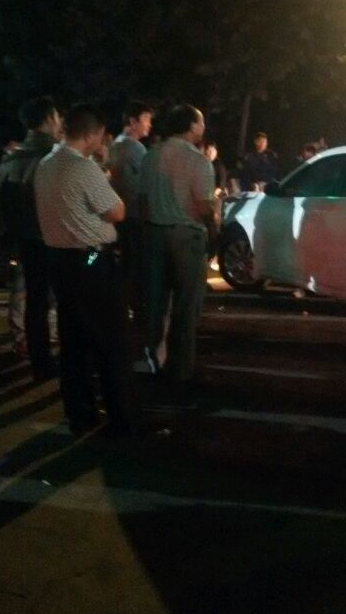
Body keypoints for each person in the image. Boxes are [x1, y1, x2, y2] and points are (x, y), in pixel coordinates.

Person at [35, 104, 136, 437]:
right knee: (111, 339)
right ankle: (122, 418)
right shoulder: (83, 167)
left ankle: (80, 414)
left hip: (59, 260)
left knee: (73, 341)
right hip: (90, 258)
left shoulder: (46, 164)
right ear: (92, 134)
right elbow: (117, 212)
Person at [139, 104, 216, 407]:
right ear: (192, 126)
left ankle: (152, 361)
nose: (203, 128)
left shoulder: (150, 156)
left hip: (153, 235)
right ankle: (181, 372)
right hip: (186, 237)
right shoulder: (198, 161)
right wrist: (214, 228)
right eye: (201, 122)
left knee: (155, 303)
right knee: (186, 307)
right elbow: (204, 206)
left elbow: (142, 201)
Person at [0, 96, 62, 380]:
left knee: (35, 301)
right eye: (57, 116)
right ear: (49, 118)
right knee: (65, 299)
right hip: (58, 239)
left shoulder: (12, 159)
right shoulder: (55, 156)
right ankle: (70, 360)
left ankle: (40, 360)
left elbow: (3, 203)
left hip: (26, 239)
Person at [107, 101, 153, 344]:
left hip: (117, 217)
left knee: (123, 264)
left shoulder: (115, 145)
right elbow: (148, 184)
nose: (149, 124)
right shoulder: (134, 148)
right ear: (133, 121)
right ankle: (135, 316)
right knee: (135, 267)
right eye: (146, 119)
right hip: (134, 217)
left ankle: (121, 310)